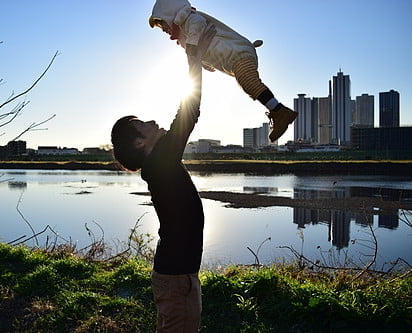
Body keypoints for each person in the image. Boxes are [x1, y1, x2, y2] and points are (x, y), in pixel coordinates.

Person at [111, 24, 216, 332]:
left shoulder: (159, 164)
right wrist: (193, 56)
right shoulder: (160, 164)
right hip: (176, 278)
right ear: (140, 144)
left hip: (175, 275)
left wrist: (198, 58)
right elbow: (189, 110)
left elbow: (182, 117)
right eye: (144, 124)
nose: (153, 121)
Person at [149, 0, 298, 142]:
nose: (164, 30)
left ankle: (281, 112)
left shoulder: (189, 18)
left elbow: (198, 25)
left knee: (249, 82)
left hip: (238, 53)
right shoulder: (183, 36)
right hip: (233, 59)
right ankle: (279, 111)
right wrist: (202, 62)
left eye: (163, 25)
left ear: (170, 15)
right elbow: (199, 52)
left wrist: (192, 49)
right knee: (247, 85)